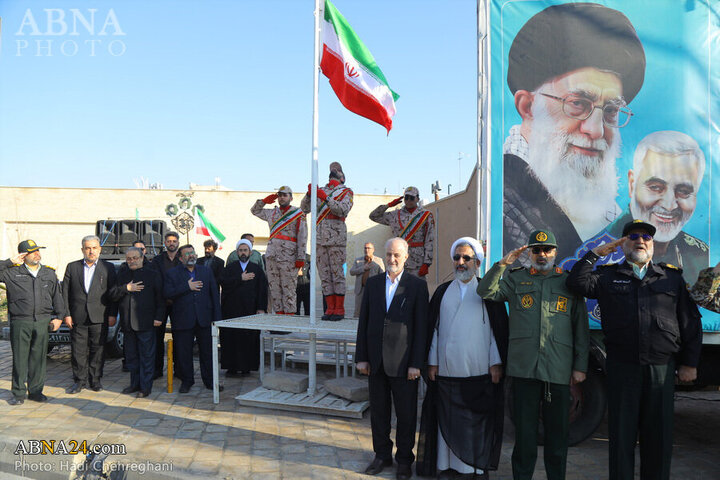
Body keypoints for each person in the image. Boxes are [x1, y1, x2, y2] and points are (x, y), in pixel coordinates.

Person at [503, 3, 646, 262]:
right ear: (528, 106)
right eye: (578, 103)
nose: (595, 129)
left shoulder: (610, 214)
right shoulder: (504, 202)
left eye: (611, 110)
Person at [566, 220, 702, 480]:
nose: (640, 240)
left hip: (660, 370)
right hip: (622, 369)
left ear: (653, 246)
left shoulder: (670, 277)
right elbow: (576, 283)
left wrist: (690, 363)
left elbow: (690, 321)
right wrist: (596, 253)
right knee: (621, 437)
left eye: (646, 238)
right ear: (624, 244)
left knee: (659, 438)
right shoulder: (607, 276)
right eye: (633, 237)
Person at [477, 230, 588, 480]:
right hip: (524, 369)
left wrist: (580, 366)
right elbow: (485, 291)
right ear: (529, 253)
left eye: (547, 249)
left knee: (557, 438)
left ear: (555, 252)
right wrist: (502, 264)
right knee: (525, 437)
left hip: (557, 370)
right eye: (536, 250)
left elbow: (580, 327)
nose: (541, 255)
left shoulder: (568, 282)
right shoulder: (516, 279)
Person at [419, 238, 508, 479]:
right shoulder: (442, 291)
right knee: (448, 421)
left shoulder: (487, 290)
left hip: (479, 371)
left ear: (477, 262)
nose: (460, 262)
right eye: (457, 257)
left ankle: (473, 467)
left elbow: (495, 333)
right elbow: (433, 329)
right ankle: (447, 466)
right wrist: (432, 361)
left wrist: (496, 362)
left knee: (473, 422)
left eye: (466, 258)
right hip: (447, 370)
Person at [355, 237, 429, 480]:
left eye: (397, 255)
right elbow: (363, 322)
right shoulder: (374, 284)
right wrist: (362, 357)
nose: (392, 259)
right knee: (378, 412)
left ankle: (404, 459)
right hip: (375, 362)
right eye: (388, 254)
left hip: (404, 363)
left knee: (406, 415)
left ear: (406, 257)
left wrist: (416, 363)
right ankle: (382, 455)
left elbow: (421, 328)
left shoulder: (417, 286)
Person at [603, 131, 708, 283]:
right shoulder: (604, 244)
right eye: (655, 187)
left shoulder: (700, 255)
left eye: (684, 191)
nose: (669, 205)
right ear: (632, 185)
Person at [0, 240, 64, 405]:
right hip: (21, 322)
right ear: (23, 256)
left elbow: (57, 296)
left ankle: (36, 392)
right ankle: (18, 393)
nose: (37, 254)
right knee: (20, 359)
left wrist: (59, 316)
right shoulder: (11, 272)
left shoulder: (48, 273)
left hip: (42, 321)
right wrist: (9, 262)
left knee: (39, 358)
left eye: (38, 250)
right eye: (32, 251)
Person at [63, 235, 118, 394]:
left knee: (98, 350)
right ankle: (79, 381)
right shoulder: (72, 267)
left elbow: (113, 293)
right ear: (82, 250)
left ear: (99, 249)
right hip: (78, 317)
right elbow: (65, 293)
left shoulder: (108, 268)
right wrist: (66, 314)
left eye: (94, 248)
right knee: (78, 351)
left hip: (100, 316)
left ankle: (95, 380)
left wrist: (112, 314)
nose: (91, 251)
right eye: (88, 248)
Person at [164, 244, 222, 393]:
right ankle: (187, 381)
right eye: (187, 253)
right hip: (183, 320)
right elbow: (167, 293)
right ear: (181, 258)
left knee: (207, 353)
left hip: (204, 319)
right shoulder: (172, 273)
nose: (191, 255)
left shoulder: (205, 271)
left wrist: (217, 319)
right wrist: (186, 287)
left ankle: (210, 381)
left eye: (192, 252)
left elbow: (214, 295)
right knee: (184, 354)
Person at [301, 162, 353, 320]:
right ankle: (330, 308)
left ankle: (339, 309)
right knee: (324, 275)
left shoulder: (347, 192)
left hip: (336, 238)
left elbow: (343, 209)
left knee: (337, 274)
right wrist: (310, 194)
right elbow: (304, 208)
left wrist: (327, 198)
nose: (334, 172)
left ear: (343, 177)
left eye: (338, 171)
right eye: (332, 170)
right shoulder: (320, 190)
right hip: (319, 239)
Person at [110, 247, 164, 397]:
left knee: (147, 357)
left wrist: (159, 317)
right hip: (127, 324)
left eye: (135, 258)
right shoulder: (122, 274)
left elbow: (160, 298)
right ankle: (134, 384)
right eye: (129, 259)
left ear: (141, 258)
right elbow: (112, 295)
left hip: (146, 323)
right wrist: (126, 288)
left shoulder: (152, 274)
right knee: (132, 358)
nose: (132, 261)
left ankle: (145, 387)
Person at [251, 186, 308, 314]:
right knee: (274, 289)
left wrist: (301, 257)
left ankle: (288, 320)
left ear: (291, 198)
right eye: (280, 195)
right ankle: (279, 318)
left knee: (288, 289)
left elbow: (302, 236)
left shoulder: (298, 213)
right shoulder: (272, 213)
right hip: (272, 255)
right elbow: (254, 211)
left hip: (289, 256)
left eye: (285, 195)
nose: (282, 197)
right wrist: (264, 201)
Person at [219, 239, 268, 376]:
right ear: (237, 252)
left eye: (245, 250)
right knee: (231, 339)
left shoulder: (256, 269)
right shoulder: (230, 268)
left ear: (250, 252)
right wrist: (240, 278)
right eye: (240, 250)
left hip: (250, 310)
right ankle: (232, 367)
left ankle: (247, 367)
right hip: (231, 310)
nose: (243, 253)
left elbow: (262, 290)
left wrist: (261, 308)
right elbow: (223, 282)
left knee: (249, 339)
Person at [369, 186, 434, 277]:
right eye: (406, 197)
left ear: (418, 199)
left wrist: (427, 263)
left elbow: (429, 239)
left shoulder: (425, 215)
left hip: (417, 261)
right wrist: (388, 205)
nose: (408, 200)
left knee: (417, 289)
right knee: (398, 289)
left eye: (411, 198)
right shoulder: (394, 215)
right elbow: (373, 216)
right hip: (397, 259)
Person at [149, 231, 181, 379]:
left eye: (174, 241)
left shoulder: (183, 259)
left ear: (178, 243)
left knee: (180, 337)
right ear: (165, 243)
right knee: (157, 338)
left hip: (179, 303)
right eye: (169, 241)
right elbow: (155, 282)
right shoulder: (157, 260)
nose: (172, 243)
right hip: (160, 303)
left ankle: (179, 369)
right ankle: (157, 370)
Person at [349, 242, 384, 317]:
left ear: (373, 249)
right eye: (365, 248)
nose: (366, 250)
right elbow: (351, 272)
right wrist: (363, 268)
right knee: (358, 311)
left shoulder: (379, 261)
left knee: (372, 309)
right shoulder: (358, 260)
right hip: (361, 289)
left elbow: (383, 275)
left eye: (369, 248)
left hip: (373, 290)